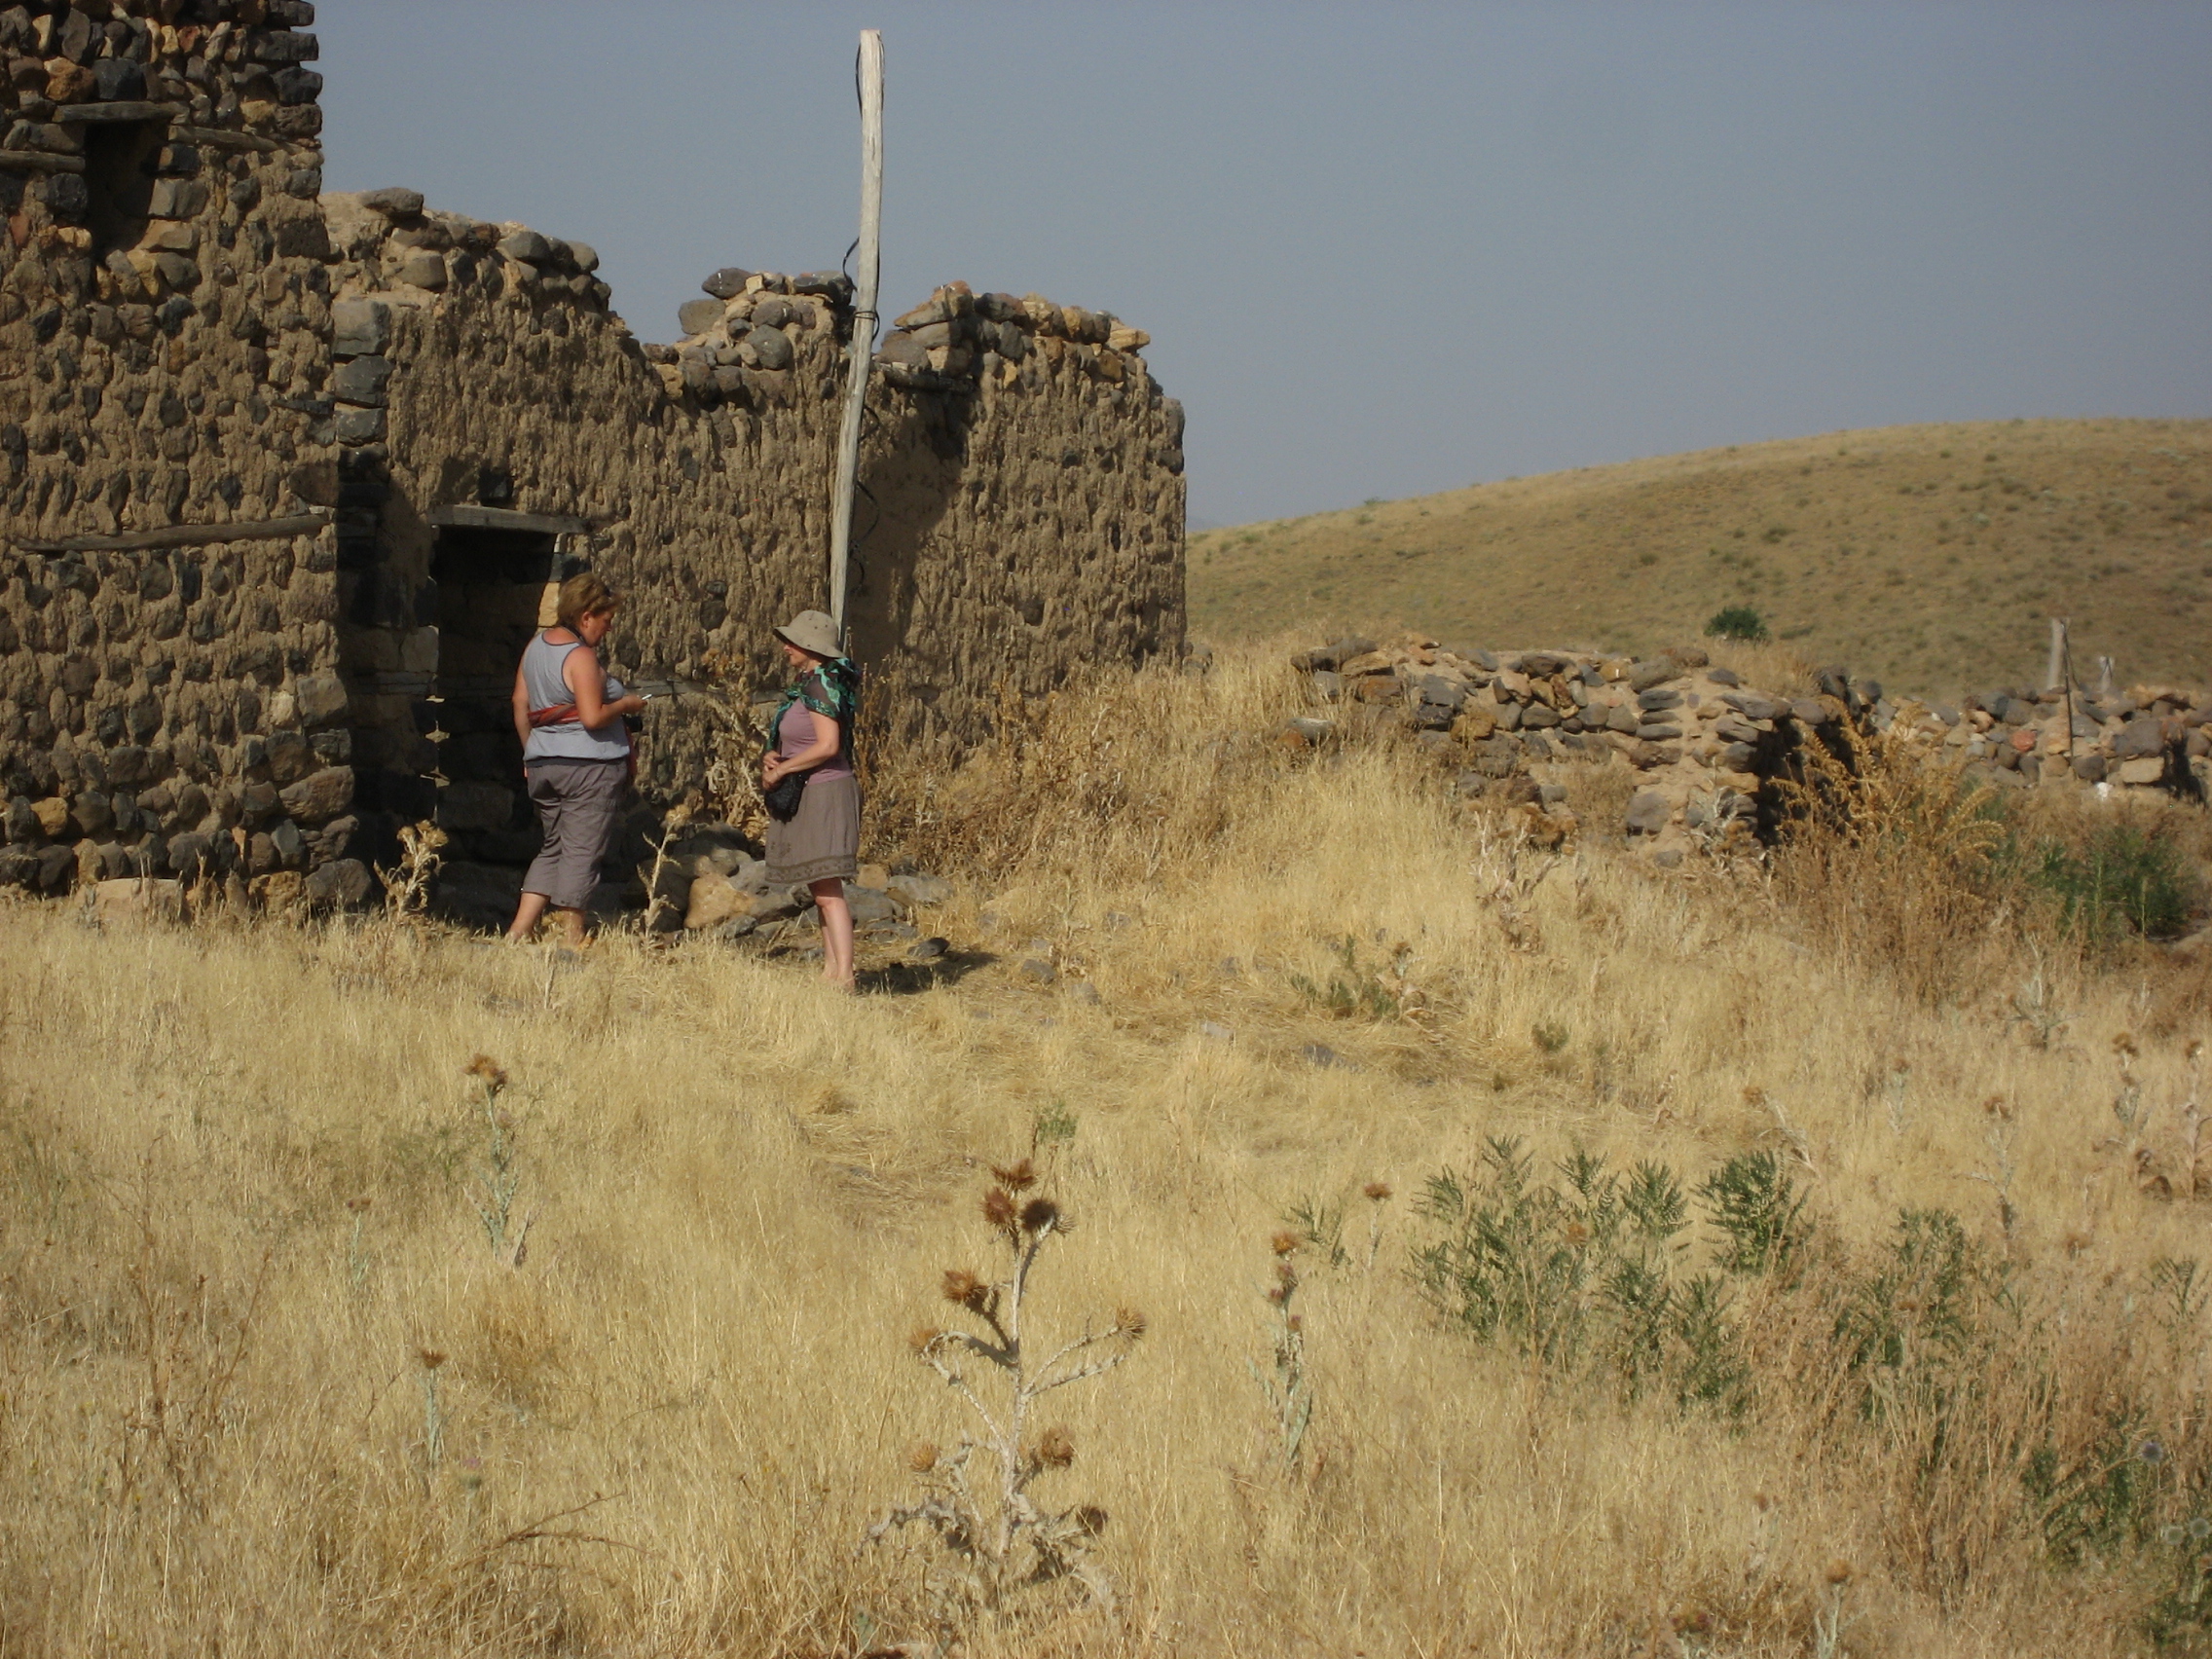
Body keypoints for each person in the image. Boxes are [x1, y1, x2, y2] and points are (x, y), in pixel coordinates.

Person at [504, 571, 648, 947]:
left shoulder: (535, 646)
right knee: (582, 849)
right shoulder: (580, 656)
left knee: (553, 845)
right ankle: (572, 935)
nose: (609, 627)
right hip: (588, 766)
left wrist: (530, 753)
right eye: (606, 619)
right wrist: (627, 704)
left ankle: (519, 930)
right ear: (586, 616)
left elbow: (520, 703)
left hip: (544, 763)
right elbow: (592, 717)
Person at [762, 608, 861, 989]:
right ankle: (830, 972)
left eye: (792, 642)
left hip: (825, 792)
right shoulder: (810, 686)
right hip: (812, 790)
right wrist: (775, 756)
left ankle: (845, 975)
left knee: (828, 892)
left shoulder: (820, 686)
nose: (786, 648)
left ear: (809, 646)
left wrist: (784, 770)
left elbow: (828, 745)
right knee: (821, 890)